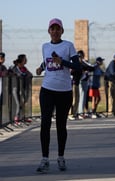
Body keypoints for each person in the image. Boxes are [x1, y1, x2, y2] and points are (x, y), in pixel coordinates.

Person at [35, 18, 81, 173]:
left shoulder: (68, 46)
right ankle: (45, 159)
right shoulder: (45, 46)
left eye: (57, 29)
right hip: (47, 89)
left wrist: (62, 62)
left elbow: (77, 66)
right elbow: (47, 61)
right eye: (52, 29)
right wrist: (41, 68)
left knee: (61, 125)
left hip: (64, 91)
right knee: (45, 123)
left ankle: (61, 157)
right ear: (49, 31)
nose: (55, 31)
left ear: (62, 31)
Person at [8, 54, 33, 124]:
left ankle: (22, 117)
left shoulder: (24, 68)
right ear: (22, 60)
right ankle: (15, 118)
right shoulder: (14, 68)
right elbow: (10, 73)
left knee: (22, 103)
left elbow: (30, 74)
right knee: (17, 104)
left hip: (23, 88)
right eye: (25, 59)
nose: (26, 60)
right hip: (15, 88)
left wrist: (27, 75)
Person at [78, 50, 95, 117]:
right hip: (80, 81)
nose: (80, 58)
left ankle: (81, 111)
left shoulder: (83, 62)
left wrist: (86, 69)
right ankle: (80, 112)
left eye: (81, 56)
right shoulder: (78, 63)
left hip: (85, 81)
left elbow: (91, 68)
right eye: (79, 56)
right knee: (81, 97)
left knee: (84, 97)